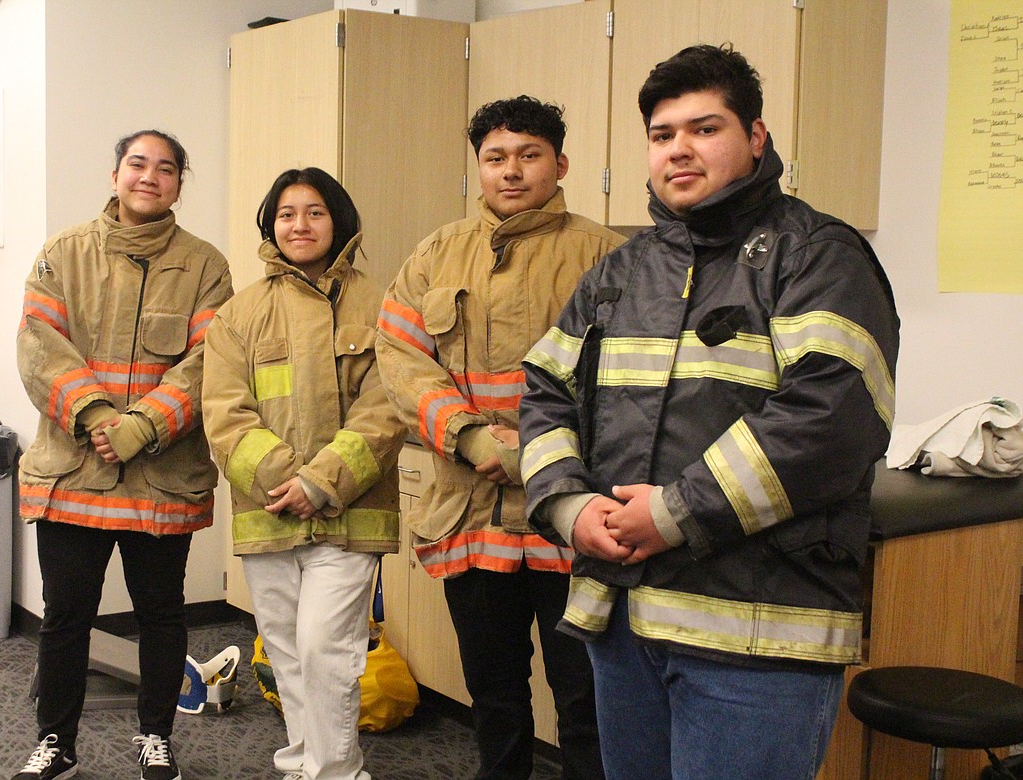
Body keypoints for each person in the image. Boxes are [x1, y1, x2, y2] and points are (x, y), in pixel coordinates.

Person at [519, 44, 900, 780]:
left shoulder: (818, 255)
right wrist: (568, 504)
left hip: (757, 632)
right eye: (663, 136)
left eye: (705, 128)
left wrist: (674, 512)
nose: (679, 150)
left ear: (755, 138)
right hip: (624, 619)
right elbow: (545, 391)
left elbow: (832, 417)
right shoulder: (621, 271)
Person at [376, 96, 623, 780]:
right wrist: (468, 436)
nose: (511, 171)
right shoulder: (435, 253)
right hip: (471, 511)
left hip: (572, 518)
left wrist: (543, 450)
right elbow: (398, 356)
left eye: (528, 155)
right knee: (495, 694)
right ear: (478, 167)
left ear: (560, 162)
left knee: (587, 699)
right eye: (495, 158)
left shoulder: (609, 255)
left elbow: (639, 382)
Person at [14, 129, 233, 780]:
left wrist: (148, 422)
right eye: (137, 164)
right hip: (75, 472)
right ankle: (56, 743)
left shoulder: (205, 266)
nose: (150, 177)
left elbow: (208, 362)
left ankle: (156, 736)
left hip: (162, 476)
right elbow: (37, 346)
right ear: (115, 175)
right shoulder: (64, 253)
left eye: (166, 169)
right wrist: (96, 414)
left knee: (161, 615)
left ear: (178, 185)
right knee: (65, 618)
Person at [202, 167, 404, 780]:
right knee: (286, 651)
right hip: (269, 513)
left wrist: (322, 481)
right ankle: (301, 761)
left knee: (327, 650)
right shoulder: (240, 314)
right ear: (271, 224)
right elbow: (224, 414)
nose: (300, 225)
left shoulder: (383, 306)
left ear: (338, 219)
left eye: (314, 212)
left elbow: (388, 406)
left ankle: (337, 771)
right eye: (287, 213)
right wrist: (283, 480)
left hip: (348, 514)